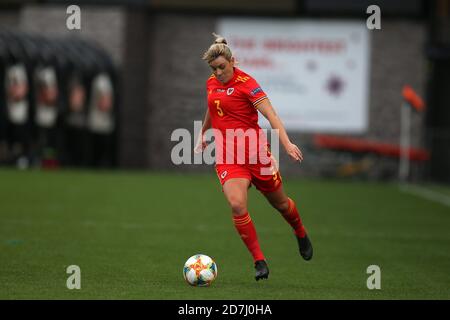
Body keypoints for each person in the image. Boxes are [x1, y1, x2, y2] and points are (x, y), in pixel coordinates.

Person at [195, 33, 313, 281]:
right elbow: (212, 106)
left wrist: (287, 144)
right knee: (237, 204)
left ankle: (300, 232)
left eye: (221, 67)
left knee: (281, 204)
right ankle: (259, 261)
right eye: (213, 68)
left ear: (232, 62)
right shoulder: (211, 83)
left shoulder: (248, 84)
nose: (217, 73)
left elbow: (272, 116)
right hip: (229, 158)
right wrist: (204, 132)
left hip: (257, 155)